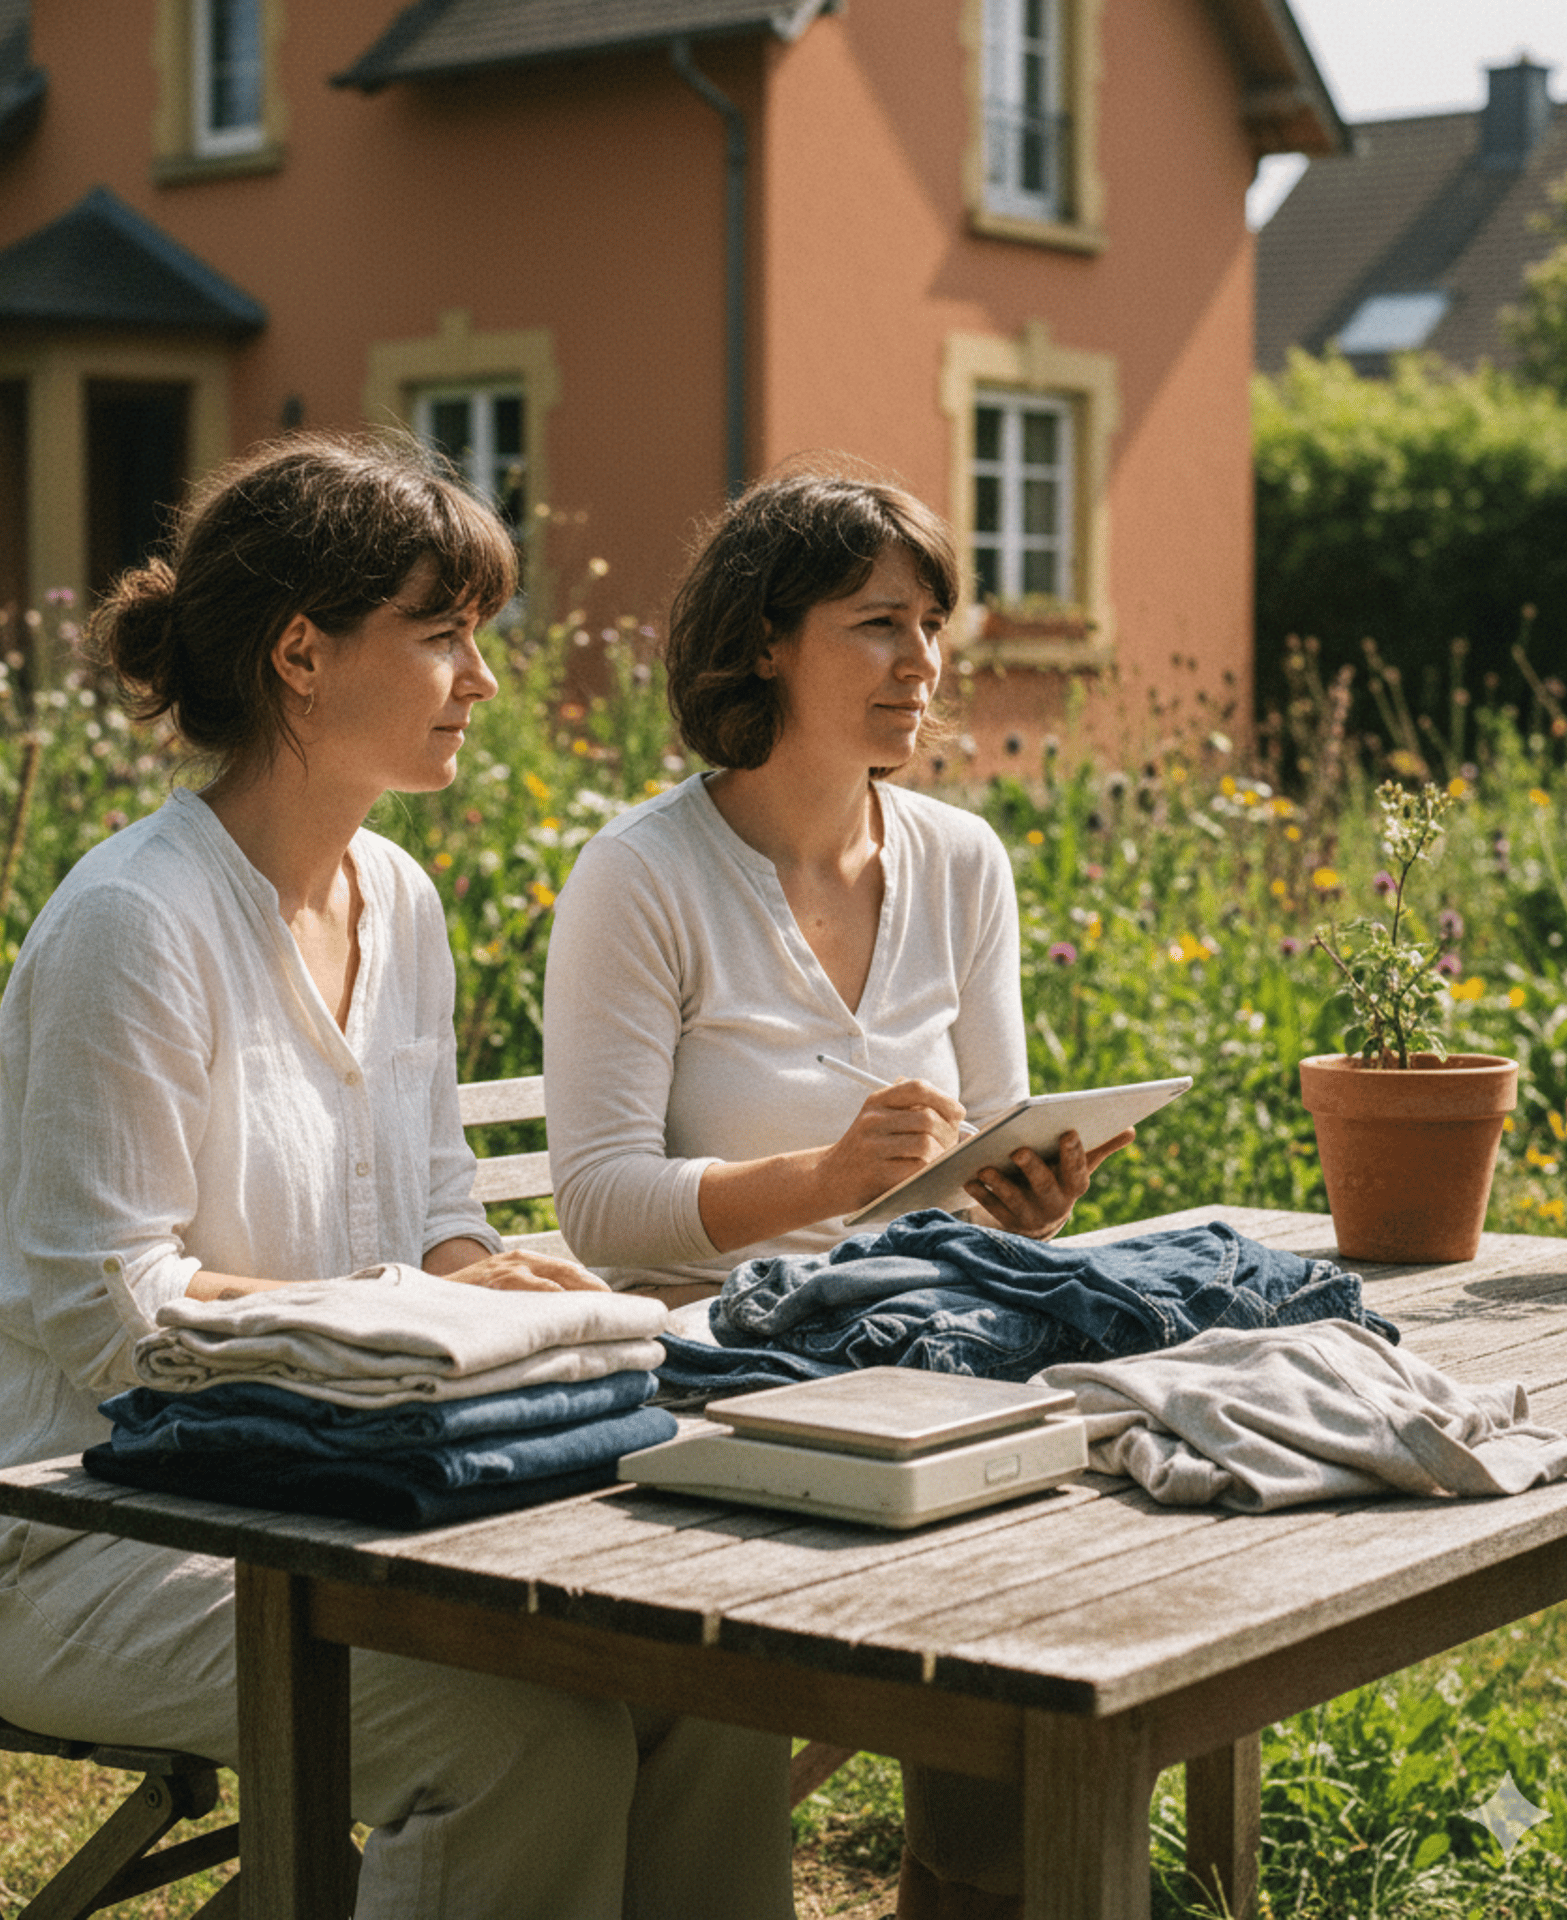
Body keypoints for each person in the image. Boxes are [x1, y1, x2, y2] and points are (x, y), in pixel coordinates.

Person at [0, 430, 792, 1920]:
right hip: (102, 1537)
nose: (484, 679)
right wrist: (396, 1326)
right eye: (444, 634)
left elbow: (437, 1211)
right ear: (301, 655)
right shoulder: (131, 928)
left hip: (360, 1496)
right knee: (519, 1733)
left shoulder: (396, 895)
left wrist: (491, 1282)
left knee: (709, 1682)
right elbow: (107, 1318)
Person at [541, 465, 1132, 1917]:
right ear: (764, 642)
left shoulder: (960, 862)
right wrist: (822, 1175)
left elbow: (991, 1132)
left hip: (923, 1354)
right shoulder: (644, 876)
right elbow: (599, 1209)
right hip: (716, 1378)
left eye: (933, 623)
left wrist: (1026, 1196)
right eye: (878, 624)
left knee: (1081, 1606)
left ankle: (988, 1873)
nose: (922, 664)